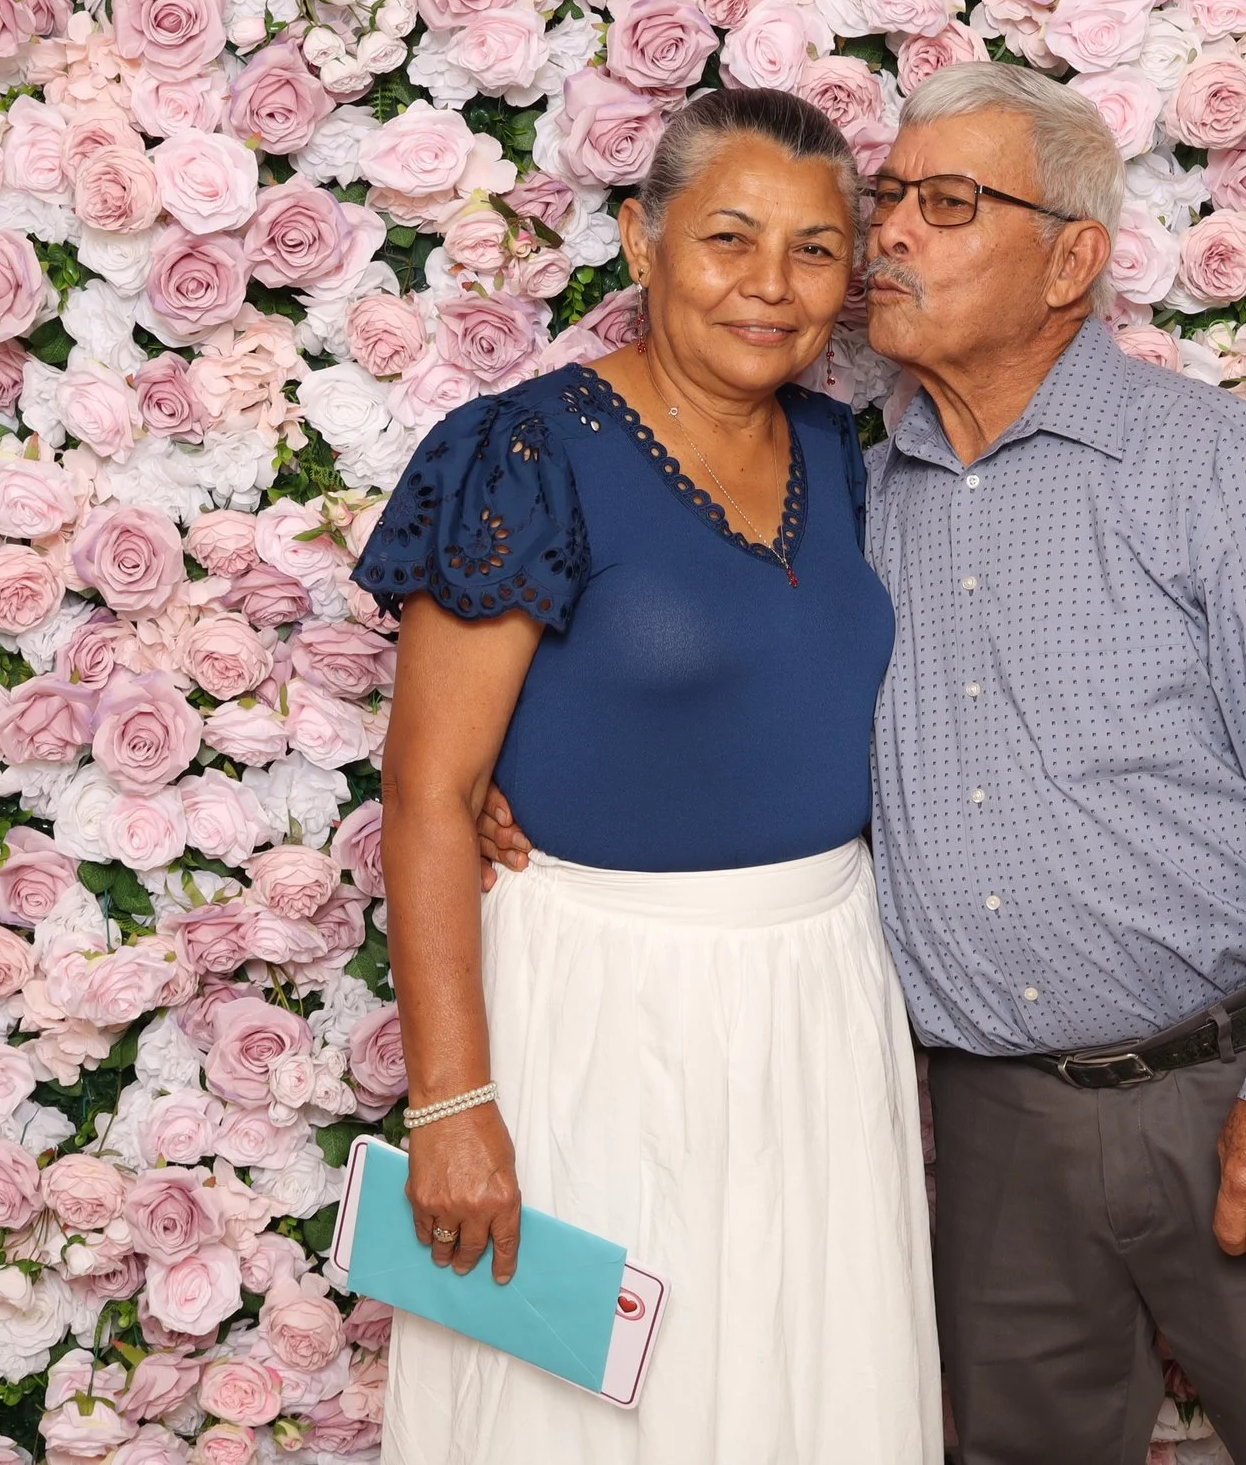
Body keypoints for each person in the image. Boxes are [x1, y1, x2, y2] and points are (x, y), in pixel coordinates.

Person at [352, 87, 939, 1465]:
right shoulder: (524, 452)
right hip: (598, 1013)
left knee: (814, 1390)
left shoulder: (839, 451)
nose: (772, 287)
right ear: (643, 240)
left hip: (823, 1000)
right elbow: (431, 795)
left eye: (814, 250)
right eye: (729, 239)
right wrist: (452, 1109)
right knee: (591, 1416)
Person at [862, 62, 1246, 1465]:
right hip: (991, 1125)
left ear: (1072, 260)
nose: (888, 236)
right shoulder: (855, 494)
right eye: (886, 201)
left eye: (945, 204)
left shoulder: (1216, 468)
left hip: (1232, 1089)